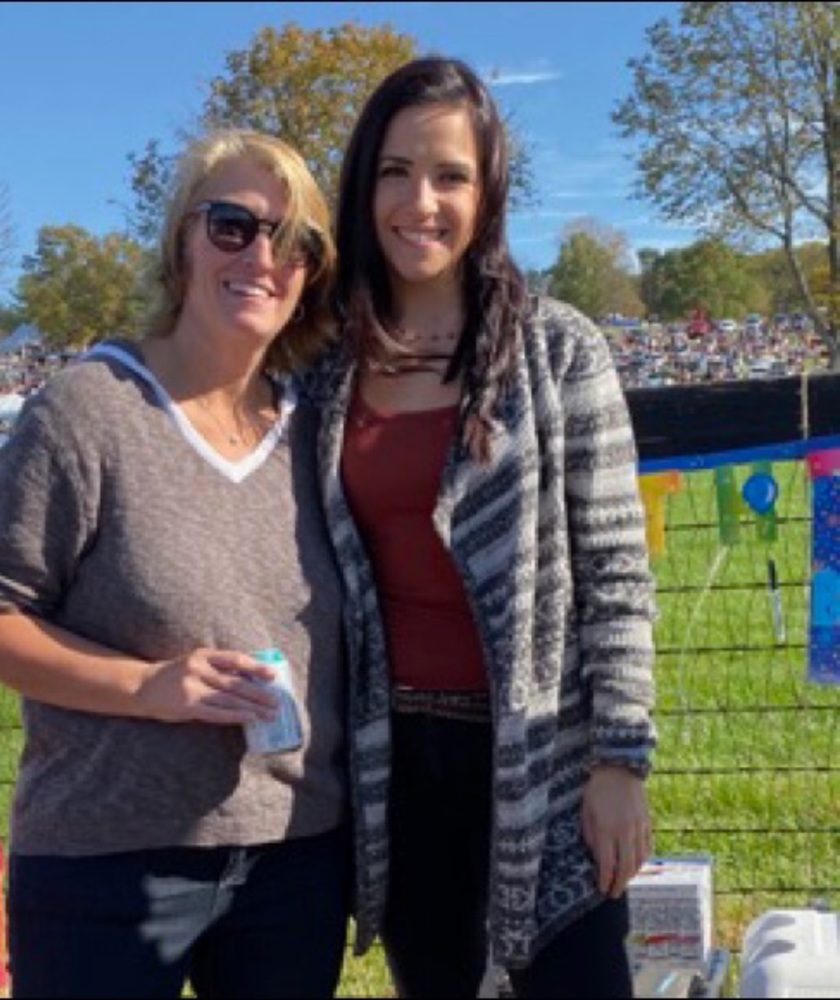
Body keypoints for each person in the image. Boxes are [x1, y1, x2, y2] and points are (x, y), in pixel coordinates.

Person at [0, 130, 351, 1000]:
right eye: (232, 225)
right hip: (106, 859)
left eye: (293, 240)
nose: (261, 257)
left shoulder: (317, 432)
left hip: (293, 856)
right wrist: (146, 687)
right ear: (182, 242)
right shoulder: (90, 409)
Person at [308, 56, 657, 998]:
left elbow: (617, 574)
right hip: (395, 766)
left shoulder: (559, 349)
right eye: (395, 171)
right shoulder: (325, 366)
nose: (420, 201)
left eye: (450, 175)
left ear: (488, 192)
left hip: (548, 758)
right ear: (363, 186)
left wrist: (621, 762)